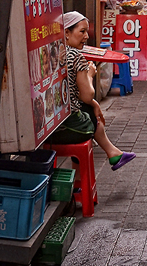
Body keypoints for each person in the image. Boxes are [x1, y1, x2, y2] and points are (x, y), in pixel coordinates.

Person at [50, 11, 136, 171]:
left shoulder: (52, 52)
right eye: (82, 31)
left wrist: (94, 104)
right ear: (66, 33)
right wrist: (89, 74)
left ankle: (113, 154)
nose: (86, 36)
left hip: (50, 126)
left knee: (89, 109)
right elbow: (87, 94)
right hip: (68, 128)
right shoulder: (76, 57)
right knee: (91, 118)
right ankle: (80, 179)